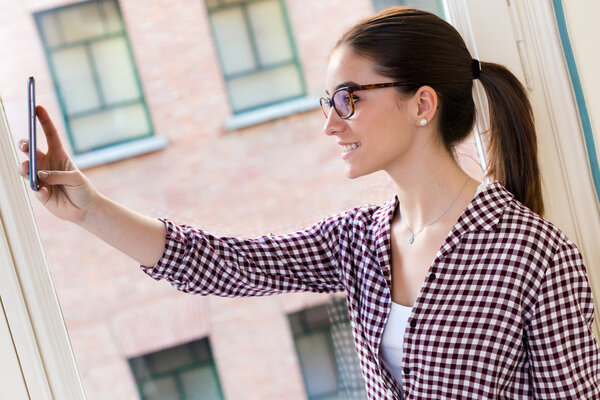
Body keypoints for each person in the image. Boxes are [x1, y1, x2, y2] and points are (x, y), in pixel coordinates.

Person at [17, 7, 600, 400]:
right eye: (328, 100)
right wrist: (89, 209)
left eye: (347, 98)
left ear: (422, 104)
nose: (329, 124)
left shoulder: (537, 256)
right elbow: (227, 264)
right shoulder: (361, 242)